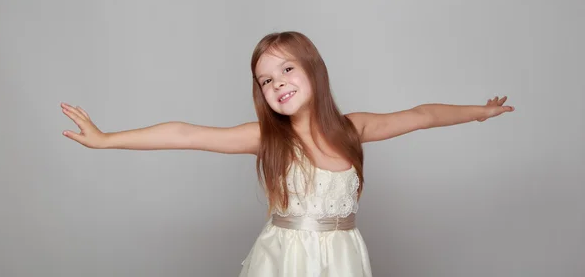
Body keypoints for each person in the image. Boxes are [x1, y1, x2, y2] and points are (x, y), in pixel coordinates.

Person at [60, 31, 515, 276]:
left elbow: (422, 115)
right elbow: (186, 133)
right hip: (284, 260)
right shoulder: (267, 138)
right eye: (265, 79)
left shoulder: (353, 129)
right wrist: (106, 138)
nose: (276, 82)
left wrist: (478, 112)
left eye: (287, 68)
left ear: (314, 71)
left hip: (342, 257)